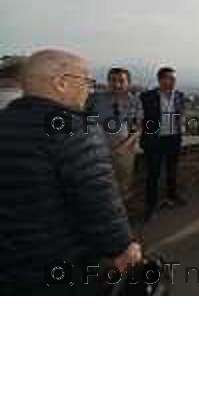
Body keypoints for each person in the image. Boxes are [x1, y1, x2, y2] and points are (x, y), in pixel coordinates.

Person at [0, 49, 141, 295]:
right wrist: (123, 248)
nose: (89, 88)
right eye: (86, 80)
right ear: (61, 83)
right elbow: (99, 202)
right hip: (61, 262)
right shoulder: (77, 129)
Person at [87, 67, 142, 203]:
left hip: (125, 152)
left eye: (121, 81)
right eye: (113, 80)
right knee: (98, 184)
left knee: (123, 185)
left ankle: (121, 214)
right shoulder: (94, 99)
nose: (117, 84)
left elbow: (137, 127)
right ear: (108, 82)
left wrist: (124, 147)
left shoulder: (134, 102)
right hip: (98, 150)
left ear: (128, 83)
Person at [139, 66, 186, 219]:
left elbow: (180, 116)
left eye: (174, 79)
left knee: (172, 170)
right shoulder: (147, 96)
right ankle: (150, 206)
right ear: (160, 80)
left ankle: (172, 196)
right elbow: (141, 119)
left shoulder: (179, 95)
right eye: (169, 78)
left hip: (174, 138)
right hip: (155, 140)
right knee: (153, 174)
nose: (173, 82)